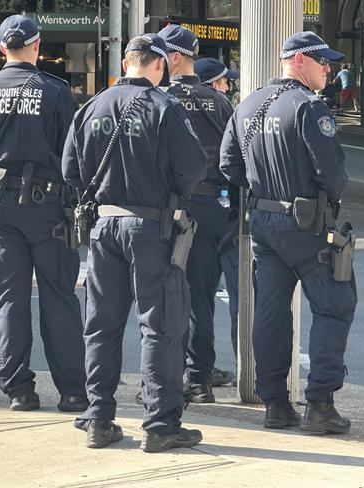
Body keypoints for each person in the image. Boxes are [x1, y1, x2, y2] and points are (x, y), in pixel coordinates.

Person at [62, 33, 207, 452]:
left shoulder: (91, 107)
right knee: (160, 328)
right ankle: (160, 424)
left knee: (101, 327)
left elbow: (71, 170)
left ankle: (99, 419)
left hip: (103, 227)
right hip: (151, 227)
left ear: (127, 61)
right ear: (159, 66)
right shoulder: (165, 108)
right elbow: (193, 168)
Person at [220, 31, 357, 434]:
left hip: (263, 221)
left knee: (271, 313)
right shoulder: (309, 108)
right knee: (336, 304)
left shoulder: (246, 105)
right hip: (308, 225)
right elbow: (333, 175)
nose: (328, 69)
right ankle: (320, 406)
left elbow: (229, 167)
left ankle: (276, 404)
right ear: (299, 60)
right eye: (323, 62)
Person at [0, 15, 87, 412]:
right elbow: (72, 155)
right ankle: (71, 390)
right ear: (37, 45)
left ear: (2, 49)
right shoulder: (55, 91)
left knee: (7, 296)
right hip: (48, 206)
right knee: (59, 295)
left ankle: (18, 388)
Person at [159, 25, 236, 398]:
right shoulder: (218, 101)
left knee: (167, 295)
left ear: (173, 57)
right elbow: (234, 154)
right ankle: (199, 378)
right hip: (212, 206)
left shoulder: (161, 98)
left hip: (172, 205)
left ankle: (165, 378)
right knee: (202, 296)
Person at [195, 55, 241, 378]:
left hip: (177, 208)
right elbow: (233, 161)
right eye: (226, 81)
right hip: (218, 209)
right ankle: (204, 372)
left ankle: (190, 371)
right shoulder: (223, 106)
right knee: (213, 293)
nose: (229, 87)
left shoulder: (170, 102)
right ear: (214, 84)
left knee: (181, 296)